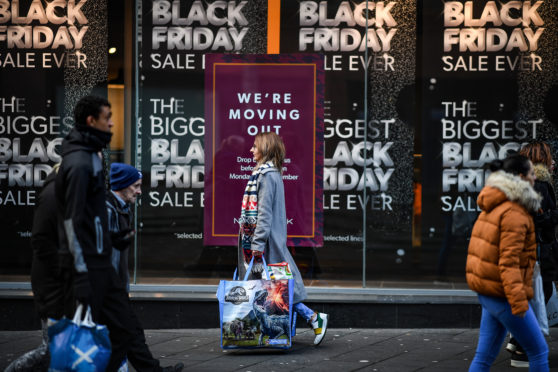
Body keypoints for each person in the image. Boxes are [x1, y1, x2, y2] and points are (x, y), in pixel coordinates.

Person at [56, 96, 183, 372]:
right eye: (107, 117)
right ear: (92, 121)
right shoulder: (80, 162)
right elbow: (73, 220)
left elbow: (93, 216)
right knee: (114, 330)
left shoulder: (93, 156)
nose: (112, 123)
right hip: (91, 268)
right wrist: (80, 273)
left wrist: (111, 239)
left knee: (124, 330)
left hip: (100, 262)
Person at [237, 132, 328, 346]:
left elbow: (265, 214)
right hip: (266, 243)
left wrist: (257, 246)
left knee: (276, 289)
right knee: (274, 288)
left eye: (255, 146)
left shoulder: (267, 175)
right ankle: (307, 321)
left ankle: (313, 318)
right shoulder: (269, 173)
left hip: (266, 245)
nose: (251, 150)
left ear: (266, 149)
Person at [466, 154, 548, 371]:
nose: (535, 177)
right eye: (532, 173)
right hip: (505, 295)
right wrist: (519, 302)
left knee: (483, 358)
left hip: (491, 292)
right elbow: (508, 262)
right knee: (539, 352)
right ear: (522, 177)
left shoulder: (495, 203)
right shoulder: (514, 213)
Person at [5, 165, 73, 371]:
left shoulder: (65, 196)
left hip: (59, 286)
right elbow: (43, 244)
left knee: (57, 348)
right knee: (51, 349)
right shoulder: (54, 196)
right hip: (52, 288)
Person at [505, 142, 558, 367]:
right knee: (539, 296)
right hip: (537, 251)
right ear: (541, 159)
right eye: (550, 157)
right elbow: (535, 220)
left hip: (521, 250)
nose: (554, 161)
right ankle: (521, 346)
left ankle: (517, 341)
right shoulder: (540, 185)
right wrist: (555, 214)